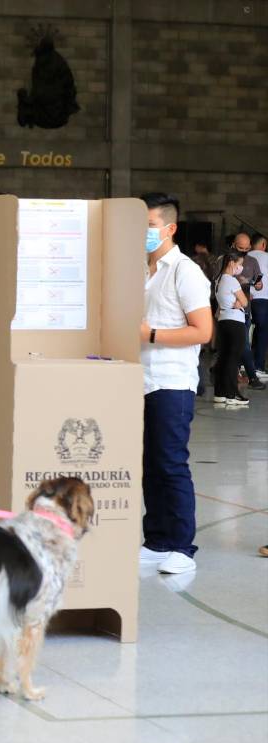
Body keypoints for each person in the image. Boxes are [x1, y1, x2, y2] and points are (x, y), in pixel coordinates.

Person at [138, 193, 212, 575]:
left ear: (169, 228)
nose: (143, 233)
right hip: (140, 380)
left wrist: (150, 335)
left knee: (170, 463)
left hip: (171, 380)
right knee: (149, 463)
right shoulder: (139, 270)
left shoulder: (185, 271)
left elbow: (203, 330)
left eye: (149, 226)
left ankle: (183, 545)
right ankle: (157, 539)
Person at [212, 251, 251, 407]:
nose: (240, 267)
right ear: (231, 263)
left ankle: (220, 392)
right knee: (233, 359)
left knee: (224, 357)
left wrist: (238, 301)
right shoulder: (232, 281)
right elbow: (244, 301)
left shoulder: (218, 280)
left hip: (223, 320)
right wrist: (241, 301)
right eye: (239, 264)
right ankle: (232, 393)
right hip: (235, 322)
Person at [230, 232, 265, 389]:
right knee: (238, 343)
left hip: (245, 307)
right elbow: (218, 279)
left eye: (246, 248)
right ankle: (251, 375)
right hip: (228, 307)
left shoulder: (253, 261)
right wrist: (237, 281)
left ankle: (235, 372)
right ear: (233, 245)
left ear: (250, 246)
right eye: (240, 248)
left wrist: (254, 284)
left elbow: (259, 282)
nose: (243, 251)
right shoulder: (225, 259)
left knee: (242, 342)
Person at [247, 235, 268, 375]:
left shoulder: (244, 257)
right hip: (263, 299)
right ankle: (259, 367)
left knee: (244, 333)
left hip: (243, 298)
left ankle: (243, 364)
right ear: (264, 244)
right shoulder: (266, 257)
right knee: (262, 333)